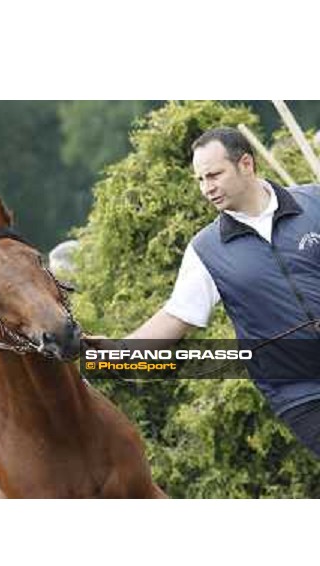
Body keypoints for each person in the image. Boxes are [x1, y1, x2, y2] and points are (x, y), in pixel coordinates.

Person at [126, 126, 320, 457]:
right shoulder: (207, 250)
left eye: (214, 175)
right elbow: (175, 318)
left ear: (246, 164)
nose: (207, 188)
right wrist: (109, 357)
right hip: (300, 393)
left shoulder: (314, 203)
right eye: (200, 179)